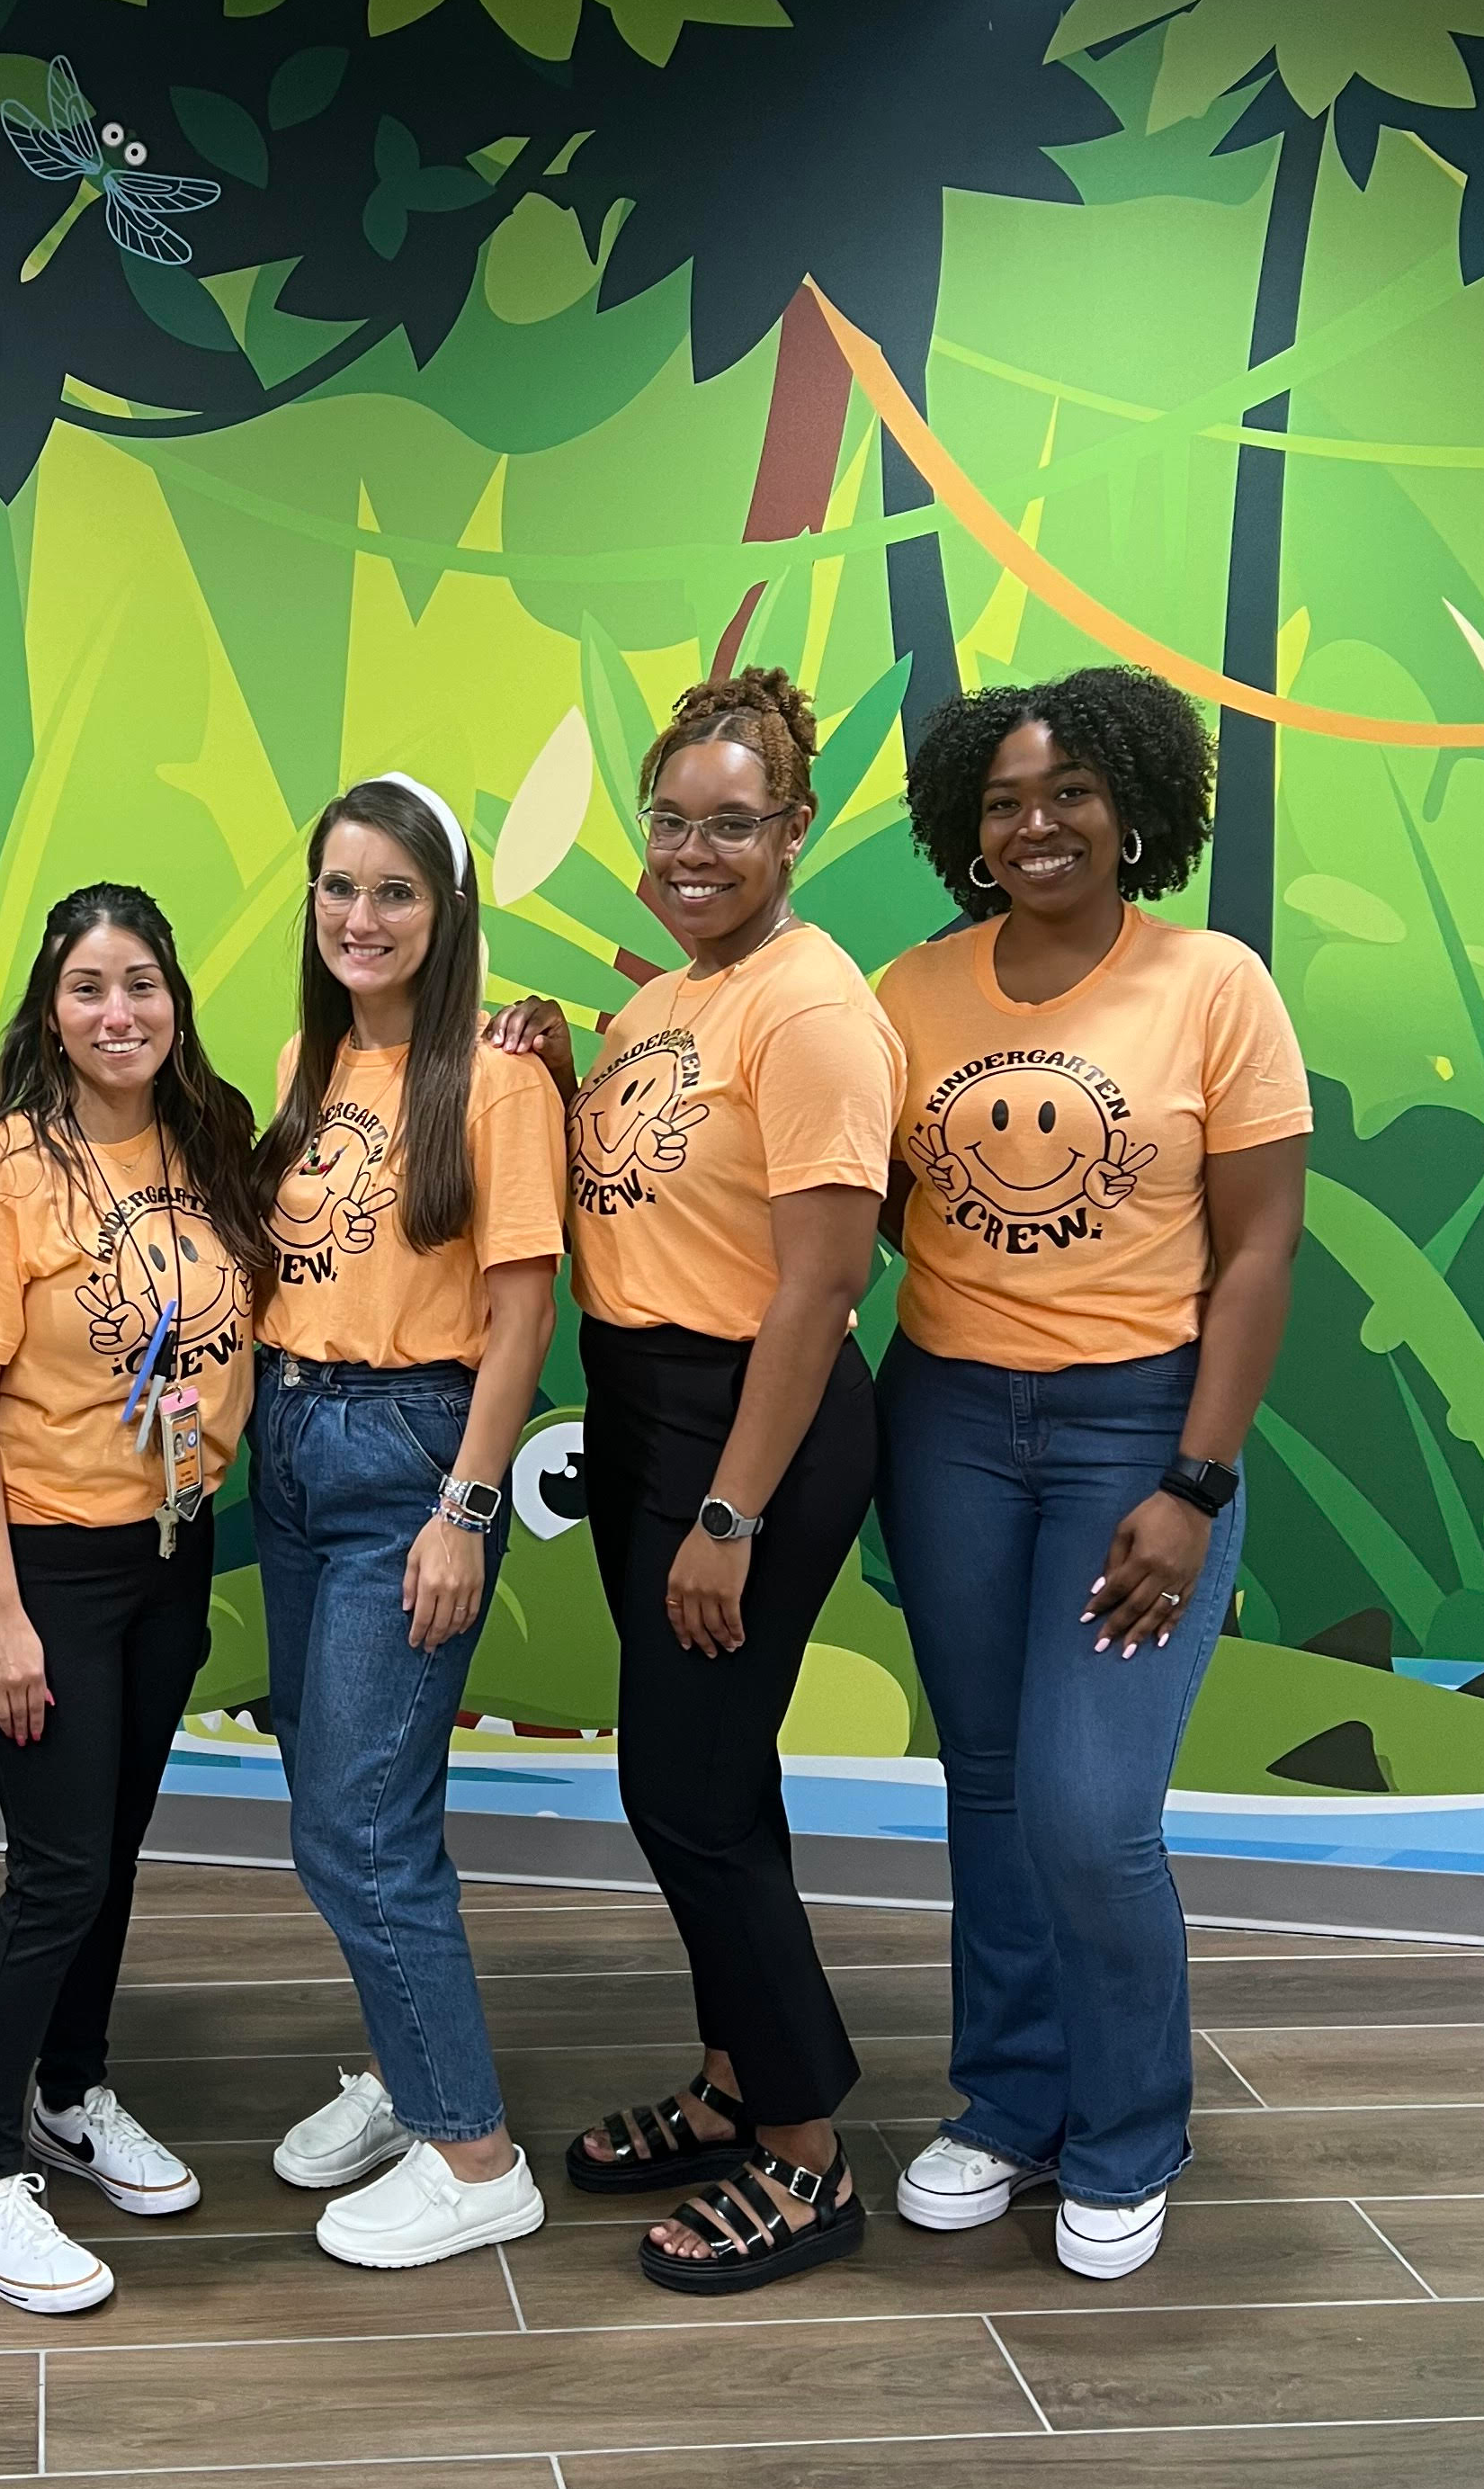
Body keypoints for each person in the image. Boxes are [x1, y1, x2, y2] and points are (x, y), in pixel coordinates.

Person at [879, 667, 1308, 2281]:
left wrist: (1196, 1483)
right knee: (986, 1788)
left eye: (1067, 792)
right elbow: (805, 1159)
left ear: (1135, 807)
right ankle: (1008, 2102)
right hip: (949, 1424)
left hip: (1140, 1428)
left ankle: (1129, 2131)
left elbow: (1260, 1251)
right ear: (965, 832)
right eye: (1001, 801)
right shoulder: (908, 992)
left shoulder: (1213, 984)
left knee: (1087, 1808)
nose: (1035, 822)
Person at [494, 668, 900, 2295]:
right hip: (651, 1417)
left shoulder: (810, 1008)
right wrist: (546, 1045)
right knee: (715, 1788)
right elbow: (650, 1178)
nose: (692, 850)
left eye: (732, 825)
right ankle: (741, 2078)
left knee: (680, 1796)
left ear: (793, 832)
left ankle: (805, 2153)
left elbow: (816, 1289)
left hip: (757, 1431)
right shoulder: (672, 1001)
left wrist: (729, 1515)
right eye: (670, 820)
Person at [0, 885, 267, 2314]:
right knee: (55, 1871)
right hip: (39, 1563)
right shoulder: (7, 1170)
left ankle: (71, 2087)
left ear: (174, 1000)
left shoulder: (212, 1144)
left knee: (108, 1854)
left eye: (141, 986)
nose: (118, 1014)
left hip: (166, 1551)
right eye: (86, 989)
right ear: (49, 1012)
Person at [253, 773, 564, 2269]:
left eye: (394, 892)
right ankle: (405, 2064)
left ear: (446, 915)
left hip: (410, 1458)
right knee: (343, 1799)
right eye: (338, 889)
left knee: (361, 1830)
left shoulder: (496, 1080)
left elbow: (519, 1323)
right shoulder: (306, 1071)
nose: (360, 918)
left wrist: (465, 1509)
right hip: (291, 1444)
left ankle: (476, 2154)